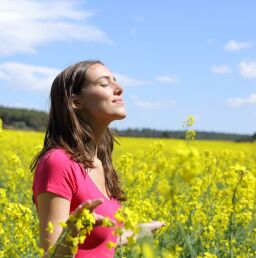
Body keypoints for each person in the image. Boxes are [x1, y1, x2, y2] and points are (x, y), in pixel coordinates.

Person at [31, 60, 165, 258]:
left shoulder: (100, 164)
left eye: (116, 82)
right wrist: (72, 231)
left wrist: (135, 232)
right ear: (75, 102)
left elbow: (96, 245)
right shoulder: (58, 162)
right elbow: (50, 255)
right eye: (104, 84)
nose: (119, 89)